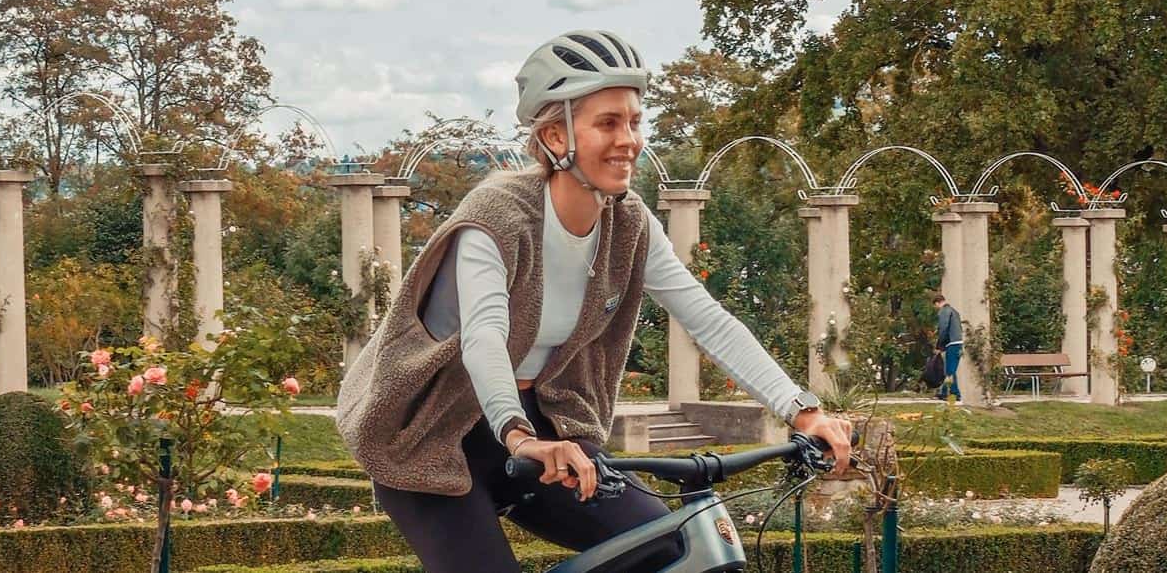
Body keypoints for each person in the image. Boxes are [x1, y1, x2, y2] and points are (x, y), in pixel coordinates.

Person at [334, 29, 854, 573]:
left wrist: (803, 411)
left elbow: (707, 319)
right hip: (430, 436)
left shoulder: (629, 225)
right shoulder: (497, 218)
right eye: (608, 123)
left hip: (549, 426)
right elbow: (485, 338)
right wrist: (519, 438)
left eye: (635, 121)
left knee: (674, 548)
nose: (629, 139)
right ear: (555, 135)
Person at [933, 294, 964, 404]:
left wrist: (939, 345)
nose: (937, 308)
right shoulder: (954, 311)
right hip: (958, 343)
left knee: (950, 371)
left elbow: (943, 329)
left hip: (952, 344)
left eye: (936, 306)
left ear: (937, 303)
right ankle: (944, 392)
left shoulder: (944, 311)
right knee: (949, 370)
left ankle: (955, 394)